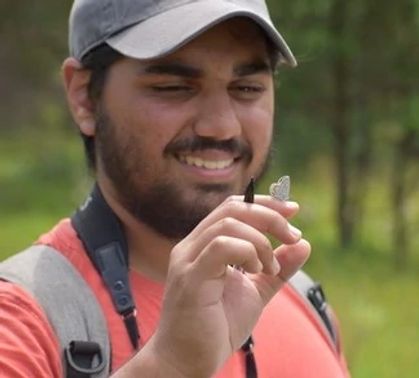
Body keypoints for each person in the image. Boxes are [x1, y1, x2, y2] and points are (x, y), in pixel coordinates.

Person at [0, 0, 350, 377]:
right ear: (85, 97)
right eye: (174, 87)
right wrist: (169, 366)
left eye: (247, 88)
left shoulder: (303, 300)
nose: (221, 127)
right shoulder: (22, 327)